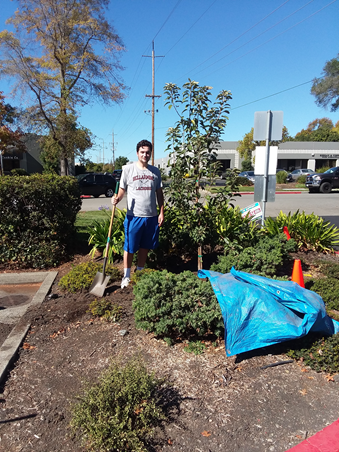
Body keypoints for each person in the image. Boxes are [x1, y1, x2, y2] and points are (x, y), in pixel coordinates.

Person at [111, 139, 164, 288]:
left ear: (150, 154)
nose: (145, 155)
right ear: (137, 153)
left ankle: (139, 272)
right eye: (142, 152)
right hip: (134, 216)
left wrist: (161, 212)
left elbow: (159, 193)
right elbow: (122, 191)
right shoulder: (128, 169)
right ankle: (126, 276)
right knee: (129, 247)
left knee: (145, 246)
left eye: (147, 152)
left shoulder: (155, 172)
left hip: (151, 216)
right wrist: (117, 198)